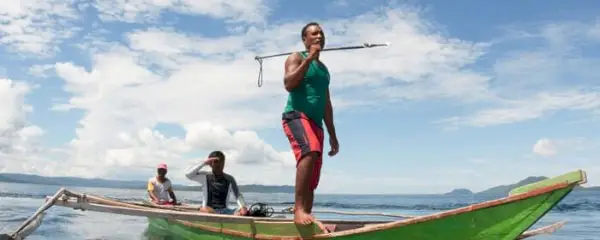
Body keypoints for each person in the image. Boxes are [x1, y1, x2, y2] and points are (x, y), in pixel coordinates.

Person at [281, 22, 339, 226]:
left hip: (316, 123)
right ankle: (298, 210)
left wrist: (332, 134)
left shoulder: (324, 70)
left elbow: (327, 104)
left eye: (321, 33)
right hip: (295, 116)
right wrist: (308, 60)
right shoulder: (296, 57)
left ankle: (308, 214)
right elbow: (288, 84)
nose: (319, 36)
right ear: (305, 40)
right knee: (310, 151)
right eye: (314, 34)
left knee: (314, 169)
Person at [185, 150, 249, 216]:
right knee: (205, 209)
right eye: (216, 162)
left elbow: (237, 195)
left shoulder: (230, 179)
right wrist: (204, 163)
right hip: (208, 210)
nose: (219, 164)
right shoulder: (205, 176)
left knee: (243, 212)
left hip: (225, 211)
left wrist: (243, 207)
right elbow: (188, 174)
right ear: (210, 164)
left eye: (222, 161)